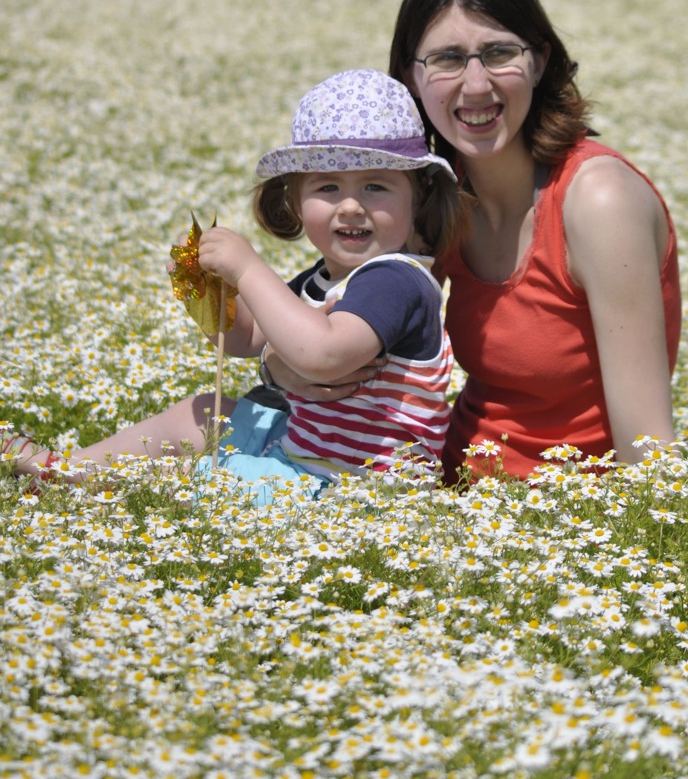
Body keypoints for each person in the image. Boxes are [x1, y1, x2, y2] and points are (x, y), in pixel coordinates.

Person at [265, 0, 682, 483]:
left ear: (540, 61)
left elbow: (649, 447)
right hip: (440, 487)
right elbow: (341, 326)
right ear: (410, 80)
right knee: (202, 416)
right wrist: (276, 368)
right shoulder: (439, 194)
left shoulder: (598, 200)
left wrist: (653, 545)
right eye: (448, 59)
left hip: (552, 520)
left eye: (499, 53)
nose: (477, 84)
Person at [3, 70, 469, 502]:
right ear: (295, 198)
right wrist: (207, 293)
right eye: (327, 187)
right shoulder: (327, 277)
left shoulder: (396, 279)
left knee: (193, 477)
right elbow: (247, 339)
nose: (350, 206)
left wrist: (248, 269)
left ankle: (91, 484)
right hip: (308, 460)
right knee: (209, 410)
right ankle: (62, 471)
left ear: (418, 196)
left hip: (354, 490)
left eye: (375, 186)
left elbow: (322, 356)